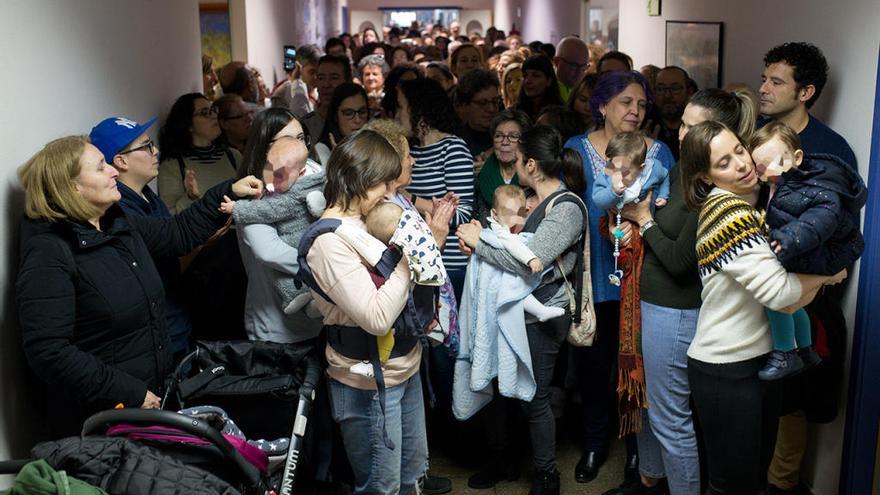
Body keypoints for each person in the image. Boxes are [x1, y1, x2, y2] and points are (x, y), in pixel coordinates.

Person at [16, 135, 261, 438]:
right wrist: (131, 392)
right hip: (100, 422)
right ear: (72, 187)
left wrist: (227, 191)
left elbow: (178, 232)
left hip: (146, 405)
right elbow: (49, 351)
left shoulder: (117, 224)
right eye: (100, 167)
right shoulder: (49, 251)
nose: (114, 171)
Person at [604, 86, 758, 495]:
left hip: (676, 313)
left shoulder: (710, 190)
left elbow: (678, 262)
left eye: (690, 127)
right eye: (683, 124)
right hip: (652, 305)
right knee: (653, 409)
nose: (679, 133)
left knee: (672, 420)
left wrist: (644, 220)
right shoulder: (682, 170)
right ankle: (650, 478)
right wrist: (632, 221)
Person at [679, 120, 847, 494]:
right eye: (723, 162)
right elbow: (779, 294)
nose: (740, 164)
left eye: (739, 150)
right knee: (731, 486)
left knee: (753, 479)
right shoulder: (729, 214)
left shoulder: (751, 207)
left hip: (756, 360)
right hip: (727, 369)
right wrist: (828, 276)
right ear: (705, 176)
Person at [457, 125, 587, 495]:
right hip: (512, 308)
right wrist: (482, 239)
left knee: (535, 396)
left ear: (531, 163)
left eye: (518, 156)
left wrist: (477, 244)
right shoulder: (528, 198)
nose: (512, 161)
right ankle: (504, 461)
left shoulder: (565, 208)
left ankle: (546, 475)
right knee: (501, 388)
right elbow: (506, 243)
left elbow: (529, 261)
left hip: (544, 311)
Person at [564, 70, 675, 485]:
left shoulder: (660, 152)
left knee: (637, 367)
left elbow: (669, 211)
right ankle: (594, 443)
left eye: (642, 104)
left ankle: (636, 451)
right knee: (593, 364)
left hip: (643, 278)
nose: (636, 111)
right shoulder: (576, 148)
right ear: (602, 105)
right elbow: (566, 207)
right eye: (627, 102)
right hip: (593, 274)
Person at [301, 129, 427, 495]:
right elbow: (376, 317)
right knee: (380, 487)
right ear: (360, 179)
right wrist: (410, 256)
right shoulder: (327, 243)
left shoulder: (365, 221)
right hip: (367, 382)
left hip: (404, 366)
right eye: (383, 183)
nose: (390, 192)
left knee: (411, 477)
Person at [758, 42, 858, 494]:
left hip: (801, 293)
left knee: (791, 405)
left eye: (776, 81)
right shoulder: (750, 137)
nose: (764, 88)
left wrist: (813, 288)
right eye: (765, 77)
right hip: (748, 290)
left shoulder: (828, 151)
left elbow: (839, 234)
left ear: (806, 91)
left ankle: (779, 486)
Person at [750, 121, 866, 380]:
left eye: (771, 164)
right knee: (795, 307)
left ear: (798, 158)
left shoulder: (813, 186)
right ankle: (805, 349)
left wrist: (790, 238)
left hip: (824, 250)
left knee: (775, 301)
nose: (765, 172)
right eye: (760, 167)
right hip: (805, 247)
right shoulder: (779, 182)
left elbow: (820, 218)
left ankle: (785, 353)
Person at [88, 116, 192, 363]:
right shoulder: (119, 210)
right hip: (160, 335)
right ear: (121, 161)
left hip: (177, 321)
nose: (155, 151)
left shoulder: (146, 194)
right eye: (146, 147)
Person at [232, 108, 323, 344]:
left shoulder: (313, 171)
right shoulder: (253, 189)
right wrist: (326, 264)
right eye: (286, 139)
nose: (295, 147)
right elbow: (269, 251)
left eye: (301, 138)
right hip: (276, 328)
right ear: (264, 145)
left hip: (321, 320)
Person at [396, 77, 475, 299]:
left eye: (401, 107)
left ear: (418, 111)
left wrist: (406, 195)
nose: (396, 114)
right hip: (417, 261)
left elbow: (462, 214)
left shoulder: (452, 149)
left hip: (450, 266)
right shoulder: (410, 151)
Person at [158, 93, 241, 213]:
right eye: (204, 113)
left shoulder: (233, 156)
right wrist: (190, 197)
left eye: (213, 110)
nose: (214, 116)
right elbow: (169, 218)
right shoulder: (173, 165)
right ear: (188, 125)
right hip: (202, 231)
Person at [476, 109, 531, 221]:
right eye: (499, 136)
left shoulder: (531, 178)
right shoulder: (480, 176)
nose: (505, 142)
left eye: (513, 136)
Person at [312, 83, 370, 166]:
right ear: (335, 116)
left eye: (362, 112)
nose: (357, 120)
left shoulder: (376, 145)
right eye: (349, 113)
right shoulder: (322, 151)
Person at [300, 54, 354, 141]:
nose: (326, 85)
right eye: (321, 78)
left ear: (347, 81)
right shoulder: (305, 126)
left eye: (334, 78)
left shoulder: (357, 122)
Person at [455, 68, 502, 158]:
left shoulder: (510, 136)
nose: (491, 109)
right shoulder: (455, 144)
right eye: (482, 103)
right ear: (464, 105)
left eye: (495, 101)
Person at [649, 66, 690, 161]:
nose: (667, 95)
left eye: (675, 88)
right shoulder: (646, 125)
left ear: (688, 92)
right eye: (661, 89)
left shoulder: (698, 125)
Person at [272, 44, 323, 118]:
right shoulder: (283, 92)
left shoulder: (320, 91)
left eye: (319, 72)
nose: (316, 77)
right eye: (312, 72)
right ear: (298, 68)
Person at [517, 55, 563, 121]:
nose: (528, 81)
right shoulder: (515, 112)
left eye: (535, 76)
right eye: (525, 76)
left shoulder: (560, 116)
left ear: (549, 81)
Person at [553, 36, 591, 103]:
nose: (578, 73)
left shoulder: (587, 91)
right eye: (573, 66)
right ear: (557, 62)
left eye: (583, 68)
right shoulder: (543, 89)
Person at [358, 54, 390, 119]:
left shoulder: (390, 95)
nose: (371, 78)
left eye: (375, 74)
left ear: (384, 76)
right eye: (367, 74)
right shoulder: (357, 96)